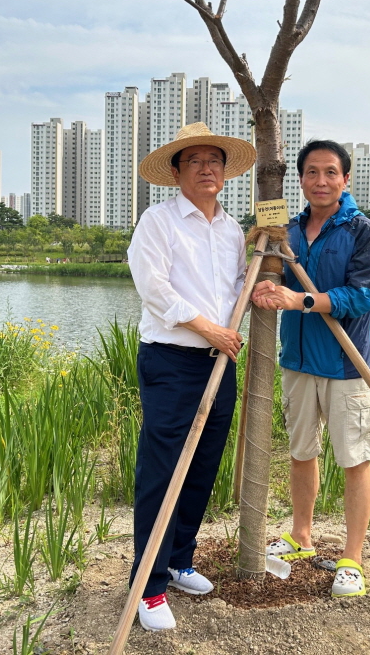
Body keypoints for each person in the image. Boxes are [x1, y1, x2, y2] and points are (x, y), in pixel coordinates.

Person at [126, 122, 257, 632]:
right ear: (176, 172)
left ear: (225, 173)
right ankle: (149, 584)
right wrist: (210, 329)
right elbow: (153, 288)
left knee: (203, 465)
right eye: (195, 160)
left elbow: (237, 289)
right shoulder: (157, 221)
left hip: (218, 363)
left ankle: (180, 559)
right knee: (162, 471)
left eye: (215, 160)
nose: (207, 168)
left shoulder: (231, 229)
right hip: (172, 359)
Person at [251, 140, 370, 598]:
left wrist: (302, 301)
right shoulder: (287, 232)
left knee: (354, 459)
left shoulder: (362, 230)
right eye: (312, 172)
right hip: (298, 361)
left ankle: (352, 559)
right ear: (301, 180)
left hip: (346, 365)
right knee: (301, 451)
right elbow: (274, 282)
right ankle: (301, 537)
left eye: (331, 172)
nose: (321, 181)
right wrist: (263, 273)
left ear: (346, 179)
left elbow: (362, 296)